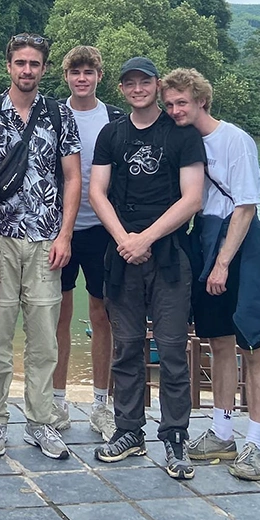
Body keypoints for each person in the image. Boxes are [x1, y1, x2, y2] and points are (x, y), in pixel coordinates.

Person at [162, 68, 260, 482]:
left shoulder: (235, 140)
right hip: (205, 238)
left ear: (201, 100)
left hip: (238, 243)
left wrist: (223, 262)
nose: (176, 110)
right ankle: (221, 430)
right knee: (217, 341)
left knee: (252, 342)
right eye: (171, 104)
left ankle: (256, 441)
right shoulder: (186, 141)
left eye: (183, 102)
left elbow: (246, 205)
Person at [0, 33, 81, 462]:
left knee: (45, 337)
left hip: (46, 238)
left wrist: (65, 234)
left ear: (44, 69)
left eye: (34, 63)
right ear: (8, 65)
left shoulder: (59, 115)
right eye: (20, 63)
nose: (27, 70)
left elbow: (72, 178)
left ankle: (40, 421)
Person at [88, 56, 204, 480]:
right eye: (130, 83)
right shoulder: (111, 133)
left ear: (157, 86)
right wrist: (124, 240)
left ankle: (175, 437)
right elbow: (97, 192)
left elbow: (191, 197)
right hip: (121, 254)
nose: (138, 88)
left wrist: (146, 239)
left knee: (172, 349)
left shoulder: (181, 134)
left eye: (145, 82)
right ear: (121, 88)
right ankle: (129, 431)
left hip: (169, 254)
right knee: (127, 347)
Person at [54, 46, 124, 439]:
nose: (82, 78)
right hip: (60, 227)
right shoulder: (52, 114)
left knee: (101, 315)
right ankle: (58, 401)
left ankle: (101, 404)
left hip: (102, 227)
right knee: (59, 315)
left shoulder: (114, 118)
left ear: (99, 75)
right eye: (75, 72)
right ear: (65, 76)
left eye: (89, 72)